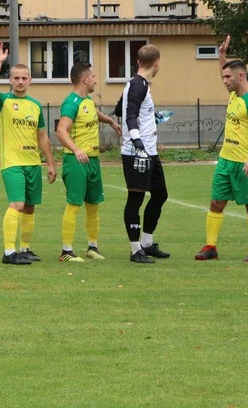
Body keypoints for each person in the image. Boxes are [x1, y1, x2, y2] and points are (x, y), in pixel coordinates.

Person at [196, 37, 248, 262]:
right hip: (225, 161)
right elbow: (225, 71)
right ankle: (210, 247)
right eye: (223, 77)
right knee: (216, 203)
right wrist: (221, 57)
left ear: (241, 76)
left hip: (245, 164)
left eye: (228, 77)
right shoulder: (234, 95)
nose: (224, 81)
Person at [0, 42, 57, 265]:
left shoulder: (36, 106)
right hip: (12, 163)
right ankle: (9, 252)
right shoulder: (4, 102)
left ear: (30, 80)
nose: (20, 81)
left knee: (29, 207)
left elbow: (43, 136)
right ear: (10, 80)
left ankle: (25, 249)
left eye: (24, 78)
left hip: (33, 163)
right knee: (16, 204)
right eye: (16, 78)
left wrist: (51, 163)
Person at [55, 63, 122, 263]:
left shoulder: (88, 101)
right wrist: (76, 150)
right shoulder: (71, 103)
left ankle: (92, 247)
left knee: (93, 205)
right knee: (74, 204)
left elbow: (93, 113)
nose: (95, 79)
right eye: (93, 76)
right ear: (84, 79)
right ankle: (66, 251)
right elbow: (61, 130)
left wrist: (110, 121)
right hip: (75, 161)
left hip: (92, 161)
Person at [118, 44, 170, 264]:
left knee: (160, 194)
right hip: (137, 151)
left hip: (150, 150)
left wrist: (153, 118)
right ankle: (135, 249)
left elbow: (125, 108)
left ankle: (147, 244)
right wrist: (136, 139)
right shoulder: (138, 85)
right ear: (157, 64)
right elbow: (130, 114)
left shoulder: (140, 85)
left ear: (138, 61)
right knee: (136, 198)